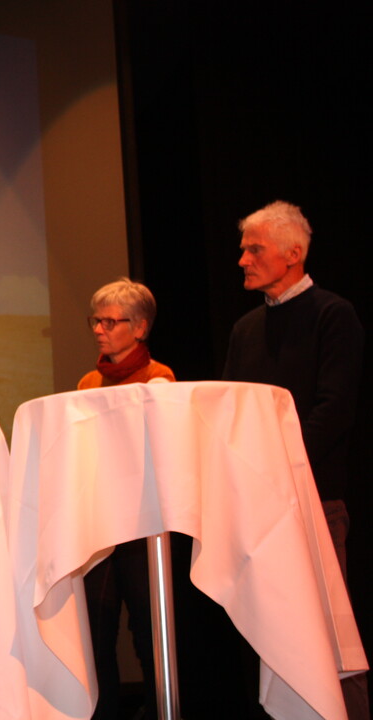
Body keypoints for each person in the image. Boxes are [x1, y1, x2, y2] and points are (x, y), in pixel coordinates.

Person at [221, 200, 367, 719]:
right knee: (268, 644)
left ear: (294, 253)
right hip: (258, 512)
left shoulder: (333, 314)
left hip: (314, 505)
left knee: (327, 642)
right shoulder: (245, 330)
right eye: (242, 249)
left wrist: (277, 467)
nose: (242, 259)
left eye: (254, 248)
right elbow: (233, 414)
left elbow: (334, 409)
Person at [77, 278, 174, 720]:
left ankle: (162, 709)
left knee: (147, 628)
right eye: (96, 320)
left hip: (142, 521)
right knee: (96, 631)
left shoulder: (160, 377)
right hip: (97, 521)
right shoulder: (87, 381)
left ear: (140, 328)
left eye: (110, 321)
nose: (99, 329)